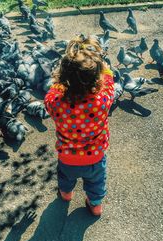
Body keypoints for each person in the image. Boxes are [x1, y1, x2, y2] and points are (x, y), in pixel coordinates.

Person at [44, 35, 114, 216]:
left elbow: (52, 91)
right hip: (95, 157)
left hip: (68, 157)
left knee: (65, 179)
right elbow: (109, 82)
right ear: (96, 78)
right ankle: (96, 205)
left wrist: (60, 80)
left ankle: (66, 194)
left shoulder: (55, 103)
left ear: (64, 78)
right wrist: (103, 67)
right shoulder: (103, 100)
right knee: (96, 183)